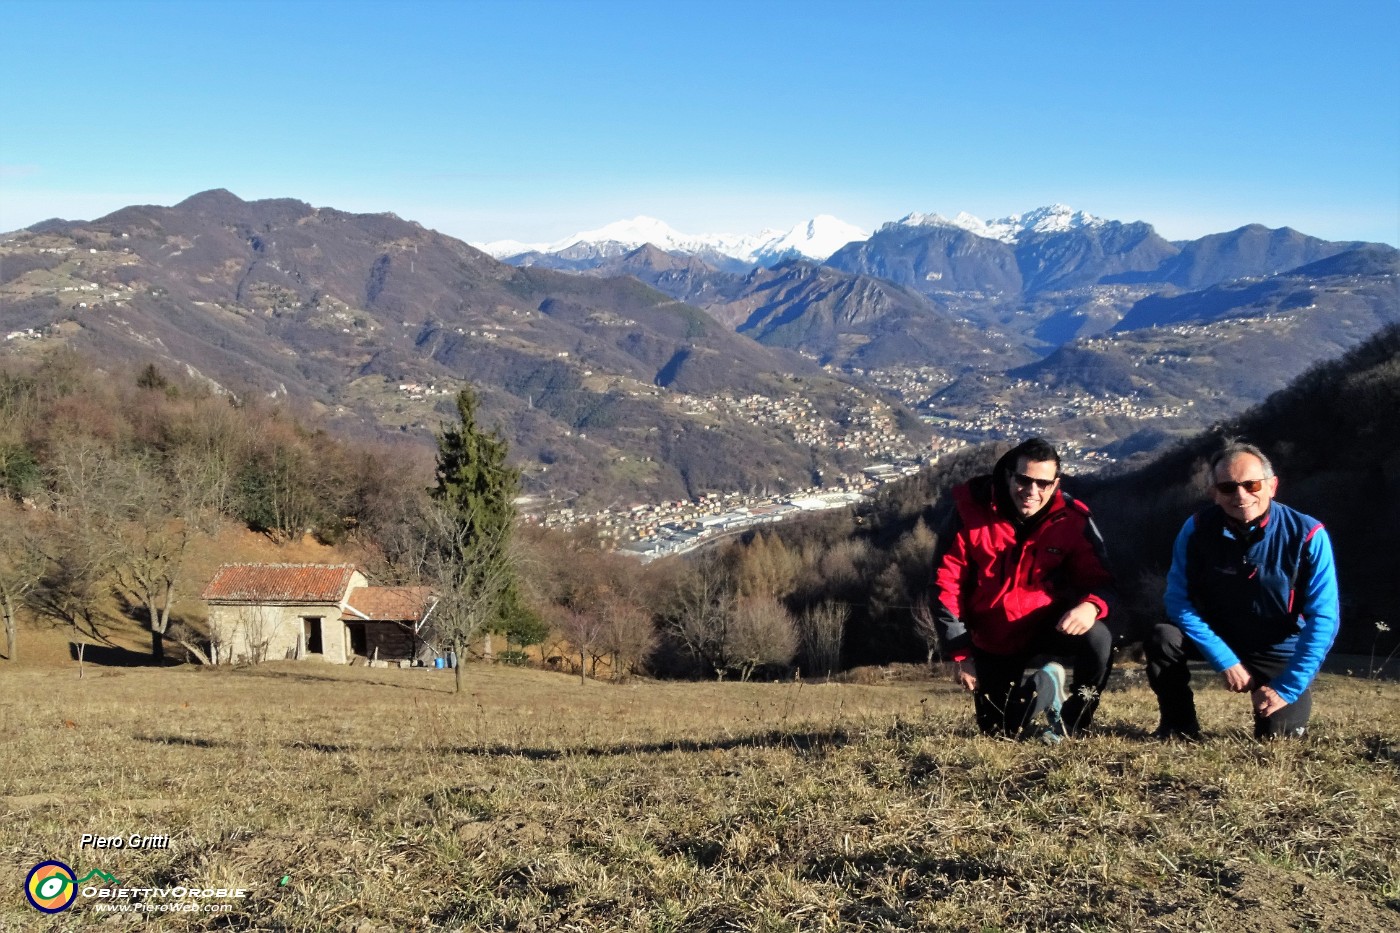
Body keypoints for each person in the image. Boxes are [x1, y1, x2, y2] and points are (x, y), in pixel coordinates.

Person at [1148, 442, 1340, 740]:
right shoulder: (1197, 529)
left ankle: (1275, 707)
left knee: (1279, 739)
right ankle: (1179, 726)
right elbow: (1177, 600)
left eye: (1251, 485)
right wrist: (1223, 659)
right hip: (1219, 636)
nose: (1241, 495)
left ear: (1272, 486)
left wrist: (1287, 687)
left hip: (1279, 647)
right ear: (1214, 493)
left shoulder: (1308, 534)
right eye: (1227, 488)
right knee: (1163, 637)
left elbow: (1324, 618)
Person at [931, 438, 1117, 738]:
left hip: (1049, 624)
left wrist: (1091, 605)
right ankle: (1047, 685)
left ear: (1056, 483)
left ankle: (1072, 724)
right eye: (1024, 480)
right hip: (994, 636)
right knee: (1000, 732)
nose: (1032, 492)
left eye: (1043, 483)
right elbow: (944, 585)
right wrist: (961, 652)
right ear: (1009, 476)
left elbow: (1102, 580)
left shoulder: (1072, 519)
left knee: (1098, 638)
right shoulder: (969, 513)